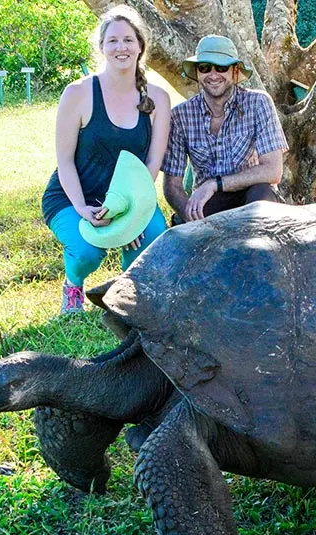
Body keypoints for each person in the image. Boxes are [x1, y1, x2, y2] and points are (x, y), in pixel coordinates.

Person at [41, 5, 171, 314]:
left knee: (151, 240)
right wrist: (82, 209)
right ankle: (73, 286)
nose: (120, 47)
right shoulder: (77, 93)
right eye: (112, 40)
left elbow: (152, 163)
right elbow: (65, 162)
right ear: (101, 47)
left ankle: (126, 294)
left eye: (128, 40)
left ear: (140, 46)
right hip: (73, 197)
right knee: (87, 251)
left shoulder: (158, 98)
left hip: (129, 198)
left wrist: (131, 215)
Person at [161, 35, 289, 224]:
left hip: (252, 194)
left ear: (235, 71)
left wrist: (215, 184)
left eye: (221, 68)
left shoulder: (258, 103)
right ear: (197, 72)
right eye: (205, 67)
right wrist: (190, 217)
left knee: (262, 196)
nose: (213, 75)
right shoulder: (180, 115)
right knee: (186, 223)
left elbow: (273, 171)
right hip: (209, 201)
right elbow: (172, 186)